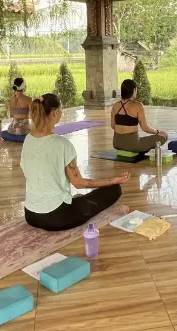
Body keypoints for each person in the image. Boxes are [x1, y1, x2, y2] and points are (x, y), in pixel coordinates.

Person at [23, 93, 129, 231]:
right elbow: (79, 183)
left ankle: (74, 201)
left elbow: (28, 172)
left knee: (79, 200)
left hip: (30, 214)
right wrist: (112, 181)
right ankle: (77, 202)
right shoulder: (62, 144)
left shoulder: (27, 140)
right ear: (55, 113)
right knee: (114, 190)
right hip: (56, 218)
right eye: (61, 109)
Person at [111, 79, 168, 153]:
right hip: (133, 145)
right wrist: (157, 132)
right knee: (164, 136)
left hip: (116, 143)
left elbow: (113, 126)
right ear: (134, 90)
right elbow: (145, 128)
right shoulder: (138, 105)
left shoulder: (115, 105)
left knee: (140, 140)